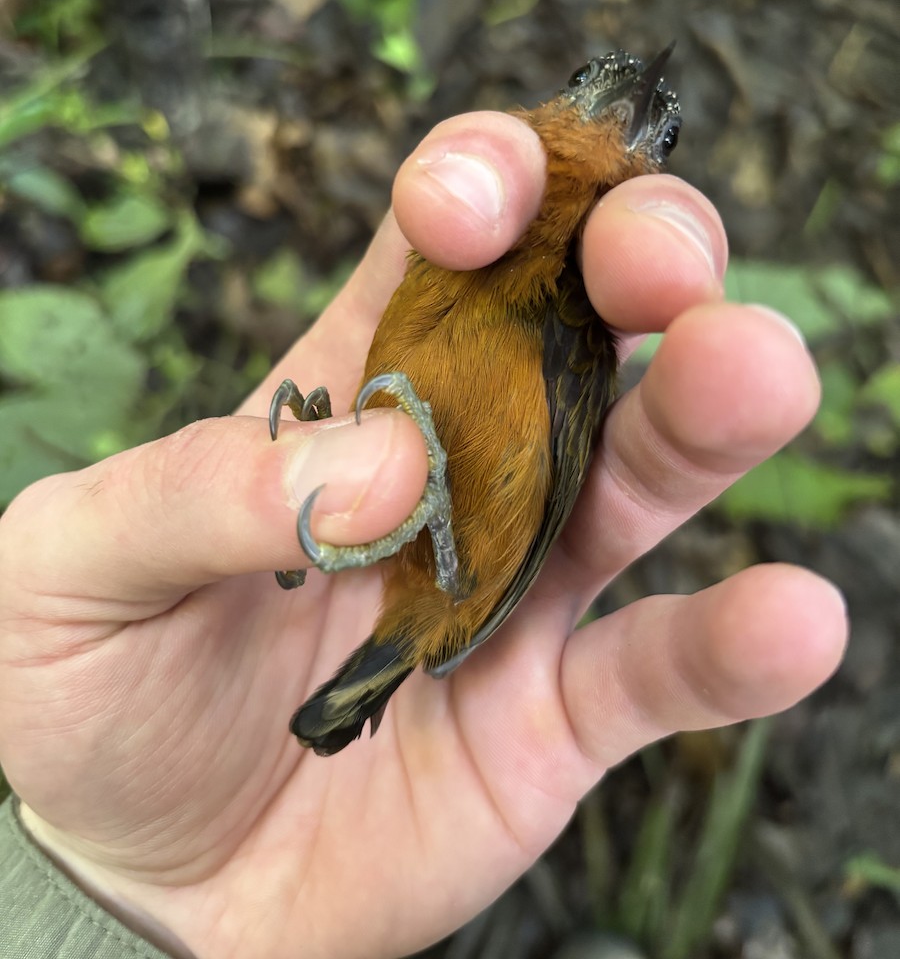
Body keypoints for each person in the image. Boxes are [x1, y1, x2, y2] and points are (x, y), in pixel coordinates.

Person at [0, 112, 846, 959]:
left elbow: (543, 490)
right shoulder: (463, 249)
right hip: (395, 559)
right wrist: (107, 881)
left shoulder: (574, 313)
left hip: (461, 569)